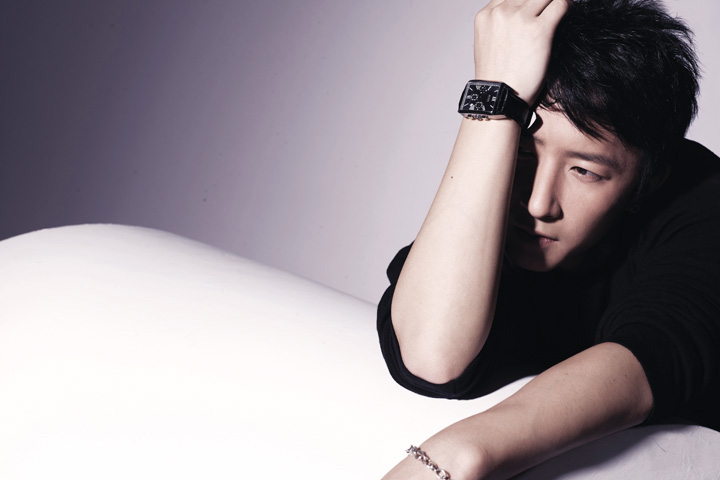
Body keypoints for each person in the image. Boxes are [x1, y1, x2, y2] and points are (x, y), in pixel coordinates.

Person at [376, 0, 720, 478]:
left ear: (649, 180)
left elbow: (652, 360)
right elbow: (432, 357)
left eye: (584, 171)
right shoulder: (482, 211)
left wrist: (460, 453)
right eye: (522, 153)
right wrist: (493, 96)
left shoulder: (702, 201)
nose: (538, 203)